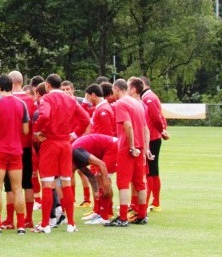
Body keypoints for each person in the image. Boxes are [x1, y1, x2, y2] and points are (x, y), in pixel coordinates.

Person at [33, 73, 90, 234]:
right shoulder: (71, 99)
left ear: (48, 85)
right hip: (66, 144)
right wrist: (74, 134)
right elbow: (85, 119)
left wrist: (37, 131)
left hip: (50, 143)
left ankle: (46, 224)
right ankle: (71, 223)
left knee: (47, 183)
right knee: (66, 182)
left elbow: (44, 115)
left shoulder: (47, 99)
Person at [0, 74, 30, 235]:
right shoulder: (21, 104)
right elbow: (26, 130)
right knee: (17, 189)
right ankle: (21, 226)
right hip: (16, 150)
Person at [105, 78, 150, 227]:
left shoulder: (121, 104)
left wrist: (131, 146)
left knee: (123, 183)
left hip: (127, 148)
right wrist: (145, 148)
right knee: (139, 183)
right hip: (140, 146)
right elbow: (145, 128)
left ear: (117, 88)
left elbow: (128, 126)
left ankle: (123, 217)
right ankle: (142, 215)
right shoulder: (138, 103)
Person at [2, 71, 36, 229]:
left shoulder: (4, 100)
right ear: (22, 81)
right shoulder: (30, 101)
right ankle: (28, 219)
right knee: (27, 184)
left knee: (9, 186)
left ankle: (10, 220)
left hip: (9, 147)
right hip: (26, 147)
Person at [72, 134, 117, 225]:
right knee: (98, 177)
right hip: (110, 146)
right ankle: (103, 213)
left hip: (113, 147)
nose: (71, 174)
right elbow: (91, 177)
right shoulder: (76, 160)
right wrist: (96, 192)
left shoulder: (76, 153)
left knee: (101, 178)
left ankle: (104, 217)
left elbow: (101, 164)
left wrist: (105, 182)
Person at [140, 76, 169, 212]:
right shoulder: (150, 96)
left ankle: (147, 203)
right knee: (154, 170)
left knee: (150, 171)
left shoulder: (148, 98)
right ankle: (155, 202)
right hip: (153, 136)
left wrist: (161, 130)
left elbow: (156, 117)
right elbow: (160, 116)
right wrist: (163, 130)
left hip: (151, 138)